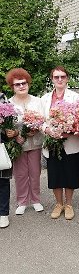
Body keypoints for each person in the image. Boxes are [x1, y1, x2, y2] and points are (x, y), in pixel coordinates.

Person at [41, 66, 79, 220]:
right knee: (55, 175)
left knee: (70, 173)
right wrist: (48, 130)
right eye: (56, 77)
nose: (60, 80)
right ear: (52, 79)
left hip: (71, 142)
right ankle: (59, 204)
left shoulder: (75, 97)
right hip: (52, 142)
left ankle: (69, 204)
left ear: (67, 78)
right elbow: (40, 121)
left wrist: (70, 129)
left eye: (63, 77)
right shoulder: (45, 98)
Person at [5, 68, 44, 215]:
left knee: (35, 172)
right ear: (12, 87)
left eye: (24, 83)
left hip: (35, 143)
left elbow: (44, 120)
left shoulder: (37, 101)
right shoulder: (8, 104)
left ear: (28, 84)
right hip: (18, 144)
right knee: (20, 174)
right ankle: (22, 201)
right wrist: (14, 133)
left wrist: (37, 127)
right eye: (17, 84)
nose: (21, 86)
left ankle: (35, 199)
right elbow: (5, 126)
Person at [0, 92, 13, 228]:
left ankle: (3, 214)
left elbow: (11, 124)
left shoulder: (3, 99)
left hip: (1, 145)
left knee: (2, 182)